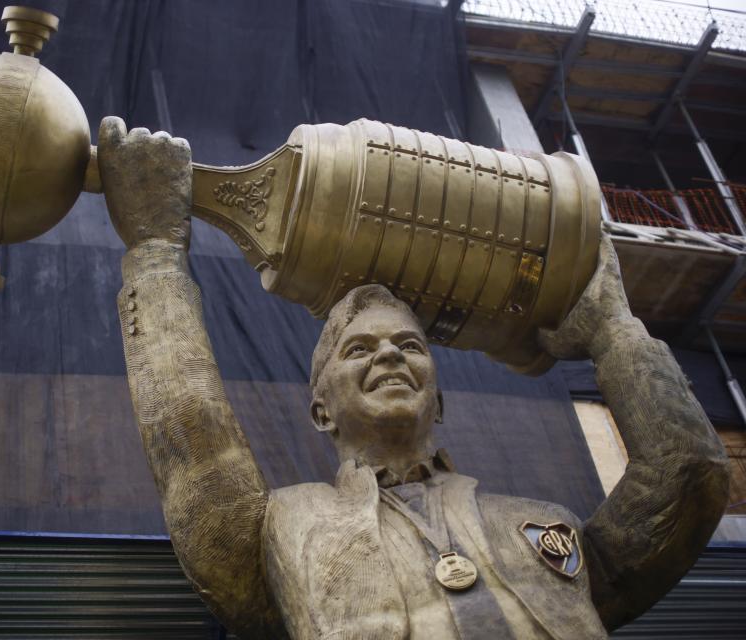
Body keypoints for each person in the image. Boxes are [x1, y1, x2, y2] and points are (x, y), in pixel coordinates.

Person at [98, 116, 730, 640]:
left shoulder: (542, 522)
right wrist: (154, 251)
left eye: (409, 345)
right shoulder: (283, 530)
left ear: (440, 398)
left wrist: (614, 331)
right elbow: (192, 444)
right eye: (359, 350)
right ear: (321, 411)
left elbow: (691, 476)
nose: (391, 356)